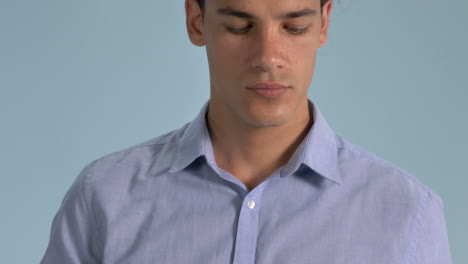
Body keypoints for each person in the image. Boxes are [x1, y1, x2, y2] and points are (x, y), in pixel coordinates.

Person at [41, 0, 452, 263]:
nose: (268, 57)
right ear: (196, 20)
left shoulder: (407, 215)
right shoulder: (104, 198)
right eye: (240, 27)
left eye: (294, 28)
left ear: (324, 23)